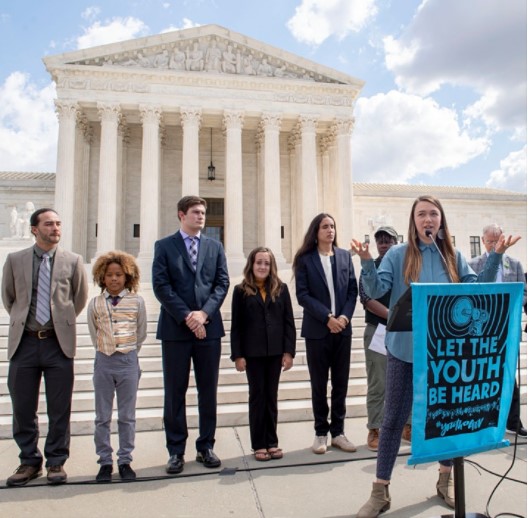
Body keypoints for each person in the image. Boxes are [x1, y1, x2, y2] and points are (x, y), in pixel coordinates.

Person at [351, 195, 520, 517]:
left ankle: (445, 481)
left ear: (441, 220)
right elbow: (374, 291)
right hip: (405, 350)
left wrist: (496, 257)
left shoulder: (452, 255)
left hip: (445, 353)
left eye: (433, 214)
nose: (428, 219)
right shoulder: (399, 254)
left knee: (445, 419)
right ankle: (380, 490)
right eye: (421, 214)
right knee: (392, 421)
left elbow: (478, 289)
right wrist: (366, 262)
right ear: (413, 221)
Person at [1, 208, 88, 486]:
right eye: (49, 224)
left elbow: (79, 298)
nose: (56, 228)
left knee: (59, 406)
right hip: (24, 344)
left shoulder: (73, 261)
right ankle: (29, 461)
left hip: (57, 344)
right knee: (23, 407)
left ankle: (56, 461)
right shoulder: (15, 260)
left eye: (58, 224)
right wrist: (24, 321)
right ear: (34, 229)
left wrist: (59, 322)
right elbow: (9, 297)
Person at [152, 195, 229, 475]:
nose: (201, 216)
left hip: (208, 330)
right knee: (175, 392)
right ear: (181, 214)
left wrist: (204, 314)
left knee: (208, 391)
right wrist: (187, 316)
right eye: (196, 212)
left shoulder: (215, 246)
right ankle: (175, 451)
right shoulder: (164, 247)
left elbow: (222, 283)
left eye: (203, 212)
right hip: (175, 330)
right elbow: (161, 286)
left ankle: (206, 445)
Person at [293, 213, 358, 455]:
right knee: (319, 385)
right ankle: (321, 433)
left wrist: (343, 317)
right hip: (318, 331)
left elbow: (352, 291)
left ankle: (338, 433)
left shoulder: (343, 257)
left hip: (343, 330)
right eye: (325, 227)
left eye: (332, 226)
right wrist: (327, 318)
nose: (330, 230)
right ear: (316, 231)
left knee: (340, 384)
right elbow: (303, 295)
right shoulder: (305, 259)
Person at [230, 247, 296, 461]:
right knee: (257, 397)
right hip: (253, 354)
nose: (262, 267)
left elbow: (288, 322)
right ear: (251, 264)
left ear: (272, 266)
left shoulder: (281, 289)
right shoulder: (240, 291)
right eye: (259, 262)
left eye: (266, 263)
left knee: (271, 397)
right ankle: (259, 444)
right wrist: (237, 355)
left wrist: (289, 352)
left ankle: (272, 442)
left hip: (275, 353)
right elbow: (236, 326)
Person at [87, 251, 147, 483]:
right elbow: (94, 333)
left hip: (128, 361)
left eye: (119, 275)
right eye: (109, 275)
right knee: (102, 416)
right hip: (103, 361)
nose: (114, 279)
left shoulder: (137, 301)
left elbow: (140, 332)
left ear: (127, 277)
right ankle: (104, 461)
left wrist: (128, 349)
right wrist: (106, 348)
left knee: (127, 416)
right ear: (102, 277)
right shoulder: (95, 303)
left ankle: (125, 460)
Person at [468, 223, 527, 437]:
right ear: (483, 241)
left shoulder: (515, 264)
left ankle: (513, 421)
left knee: (509, 375)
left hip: (508, 329)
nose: (494, 244)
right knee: (482, 376)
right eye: (490, 241)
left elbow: (525, 292)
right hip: (482, 331)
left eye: (497, 240)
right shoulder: (473, 264)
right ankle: (481, 420)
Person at [358, 226, 411, 451]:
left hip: (404, 331)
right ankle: (375, 428)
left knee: (407, 380)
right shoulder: (371, 267)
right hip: (378, 329)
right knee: (378, 382)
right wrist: (392, 316)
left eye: (388, 239)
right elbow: (367, 297)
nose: (384, 243)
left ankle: (407, 426)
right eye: (380, 240)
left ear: (396, 241)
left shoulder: (405, 266)